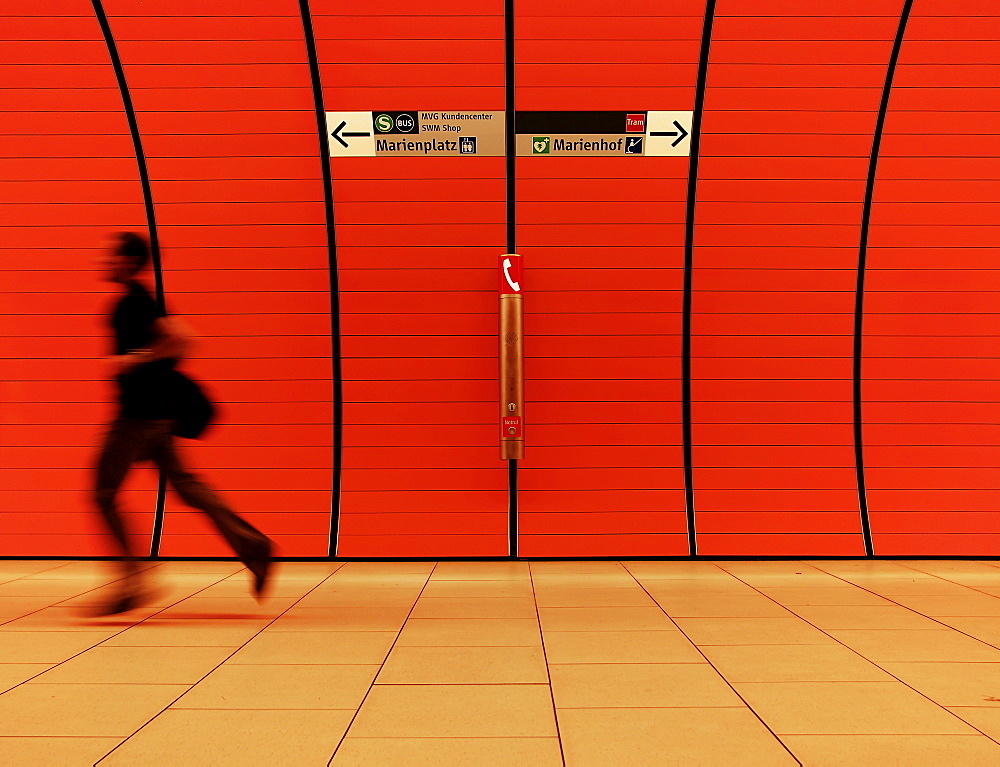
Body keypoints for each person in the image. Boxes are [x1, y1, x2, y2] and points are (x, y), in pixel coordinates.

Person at [93, 231, 272, 614]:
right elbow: (178, 339)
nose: (103, 261)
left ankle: (133, 581)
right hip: (158, 417)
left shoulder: (133, 302)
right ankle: (256, 548)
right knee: (188, 487)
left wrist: (132, 359)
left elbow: (184, 338)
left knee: (103, 493)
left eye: (110, 256)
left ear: (126, 261)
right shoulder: (142, 300)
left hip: (136, 419)